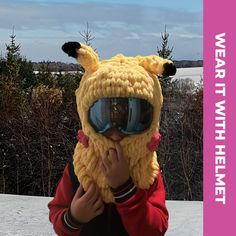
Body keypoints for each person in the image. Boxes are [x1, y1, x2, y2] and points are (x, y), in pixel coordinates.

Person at [48, 42, 176, 236]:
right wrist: (74, 217)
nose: (115, 134)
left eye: (131, 120)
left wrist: (126, 188)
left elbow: (156, 229)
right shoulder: (79, 168)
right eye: (103, 119)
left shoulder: (147, 170)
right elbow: (58, 218)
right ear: (86, 116)